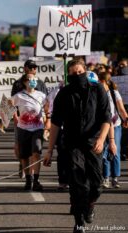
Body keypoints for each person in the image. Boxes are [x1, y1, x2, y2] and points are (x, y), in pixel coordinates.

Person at [43, 59, 111, 233]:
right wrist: (49, 150)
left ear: (86, 71)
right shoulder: (64, 94)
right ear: (68, 75)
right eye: (73, 74)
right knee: (78, 184)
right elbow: (56, 123)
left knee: (96, 185)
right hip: (72, 145)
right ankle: (79, 221)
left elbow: (106, 118)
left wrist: (102, 139)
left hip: (94, 143)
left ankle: (90, 205)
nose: (77, 76)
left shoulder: (98, 90)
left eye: (80, 72)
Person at [10, 73, 50, 191]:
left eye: (34, 79)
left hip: (37, 128)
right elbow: (7, 104)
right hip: (23, 128)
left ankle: (36, 180)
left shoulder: (41, 95)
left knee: (36, 152)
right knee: (24, 156)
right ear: (24, 82)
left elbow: (48, 107)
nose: (33, 81)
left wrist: (47, 117)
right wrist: (15, 116)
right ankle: (28, 179)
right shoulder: (19, 95)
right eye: (30, 79)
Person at [98, 72, 128, 188]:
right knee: (103, 151)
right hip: (103, 125)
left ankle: (115, 178)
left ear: (103, 82)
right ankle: (105, 177)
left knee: (115, 150)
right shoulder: (97, 93)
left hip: (115, 125)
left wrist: (126, 118)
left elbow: (121, 108)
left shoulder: (114, 93)